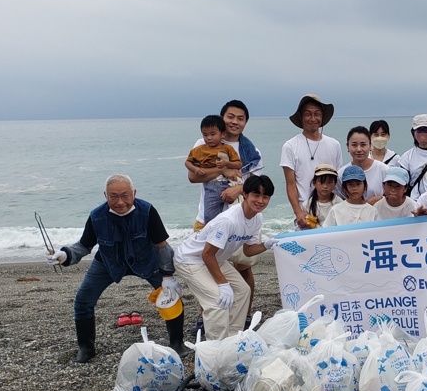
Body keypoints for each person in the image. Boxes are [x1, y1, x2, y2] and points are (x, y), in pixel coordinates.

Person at [45, 174, 185, 364]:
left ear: (133, 194)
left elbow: (162, 246)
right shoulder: (97, 216)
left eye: (125, 195)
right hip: (108, 263)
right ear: (106, 196)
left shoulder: (147, 211)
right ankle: (86, 348)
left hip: (147, 261)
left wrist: (168, 275)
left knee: (171, 297)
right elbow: (84, 246)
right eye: (114, 196)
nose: (120, 202)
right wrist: (65, 255)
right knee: (82, 300)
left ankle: (177, 344)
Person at [186, 99, 264, 326]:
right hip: (208, 217)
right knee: (205, 265)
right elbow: (193, 176)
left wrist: (239, 187)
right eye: (230, 116)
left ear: (246, 122)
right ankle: (206, 316)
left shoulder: (251, 150)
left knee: (243, 267)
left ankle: (244, 314)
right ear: (222, 119)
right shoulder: (204, 143)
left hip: (240, 219)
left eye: (241, 118)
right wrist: (223, 170)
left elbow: (255, 182)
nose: (235, 122)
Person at [174, 175, 276, 340]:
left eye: (265, 197)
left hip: (214, 258)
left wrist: (267, 244)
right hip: (190, 260)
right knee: (217, 301)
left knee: (243, 291)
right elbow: (206, 254)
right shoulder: (228, 220)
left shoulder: (257, 218)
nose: (260, 201)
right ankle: (215, 348)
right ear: (245, 194)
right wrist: (223, 284)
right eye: (256, 195)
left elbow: (248, 251)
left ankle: (232, 339)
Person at [281, 94, 344, 230]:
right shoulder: (290, 146)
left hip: (333, 210)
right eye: (308, 114)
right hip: (306, 213)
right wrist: (298, 212)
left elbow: (337, 180)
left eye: (317, 114)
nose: (313, 118)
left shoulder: (334, 144)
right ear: (301, 117)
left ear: (322, 118)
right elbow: (290, 184)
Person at [185, 115, 243, 225]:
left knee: (234, 215)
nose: (209, 138)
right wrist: (195, 169)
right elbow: (187, 163)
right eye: (205, 135)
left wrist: (227, 164)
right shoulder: (199, 149)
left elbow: (238, 164)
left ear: (222, 134)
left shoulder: (227, 148)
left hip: (228, 184)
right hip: (210, 186)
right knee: (210, 217)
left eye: (212, 134)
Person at [340, 126, 387, 202]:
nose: (359, 149)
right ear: (347, 147)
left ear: (370, 146)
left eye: (363, 145)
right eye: (354, 145)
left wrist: (380, 199)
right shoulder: (341, 174)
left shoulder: (383, 170)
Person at [301, 163, 342, 228]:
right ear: (314, 182)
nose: (325, 186)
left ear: (335, 184)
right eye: (321, 182)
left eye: (329, 182)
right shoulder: (307, 205)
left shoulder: (340, 203)